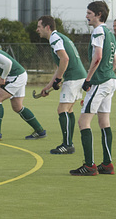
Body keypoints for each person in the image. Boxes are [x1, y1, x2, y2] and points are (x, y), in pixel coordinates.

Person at [70, 1, 116, 176]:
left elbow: (97, 57)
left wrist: (88, 79)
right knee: (104, 122)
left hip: (99, 82)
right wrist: (106, 75)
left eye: (89, 13)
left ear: (98, 14)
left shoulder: (98, 31)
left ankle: (89, 166)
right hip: (110, 81)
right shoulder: (110, 33)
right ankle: (107, 164)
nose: (86, 16)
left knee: (83, 122)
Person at [36, 15, 86, 154]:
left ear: (47, 27)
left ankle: (67, 144)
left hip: (73, 78)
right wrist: (49, 85)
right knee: (68, 110)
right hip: (78, 76)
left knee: (62, 109)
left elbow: (65, 58)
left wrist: (58, 80)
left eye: (39, 27)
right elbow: (60, 66)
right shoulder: (60, 37)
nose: (37, 30)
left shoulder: (54, 38)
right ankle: (68, 144)